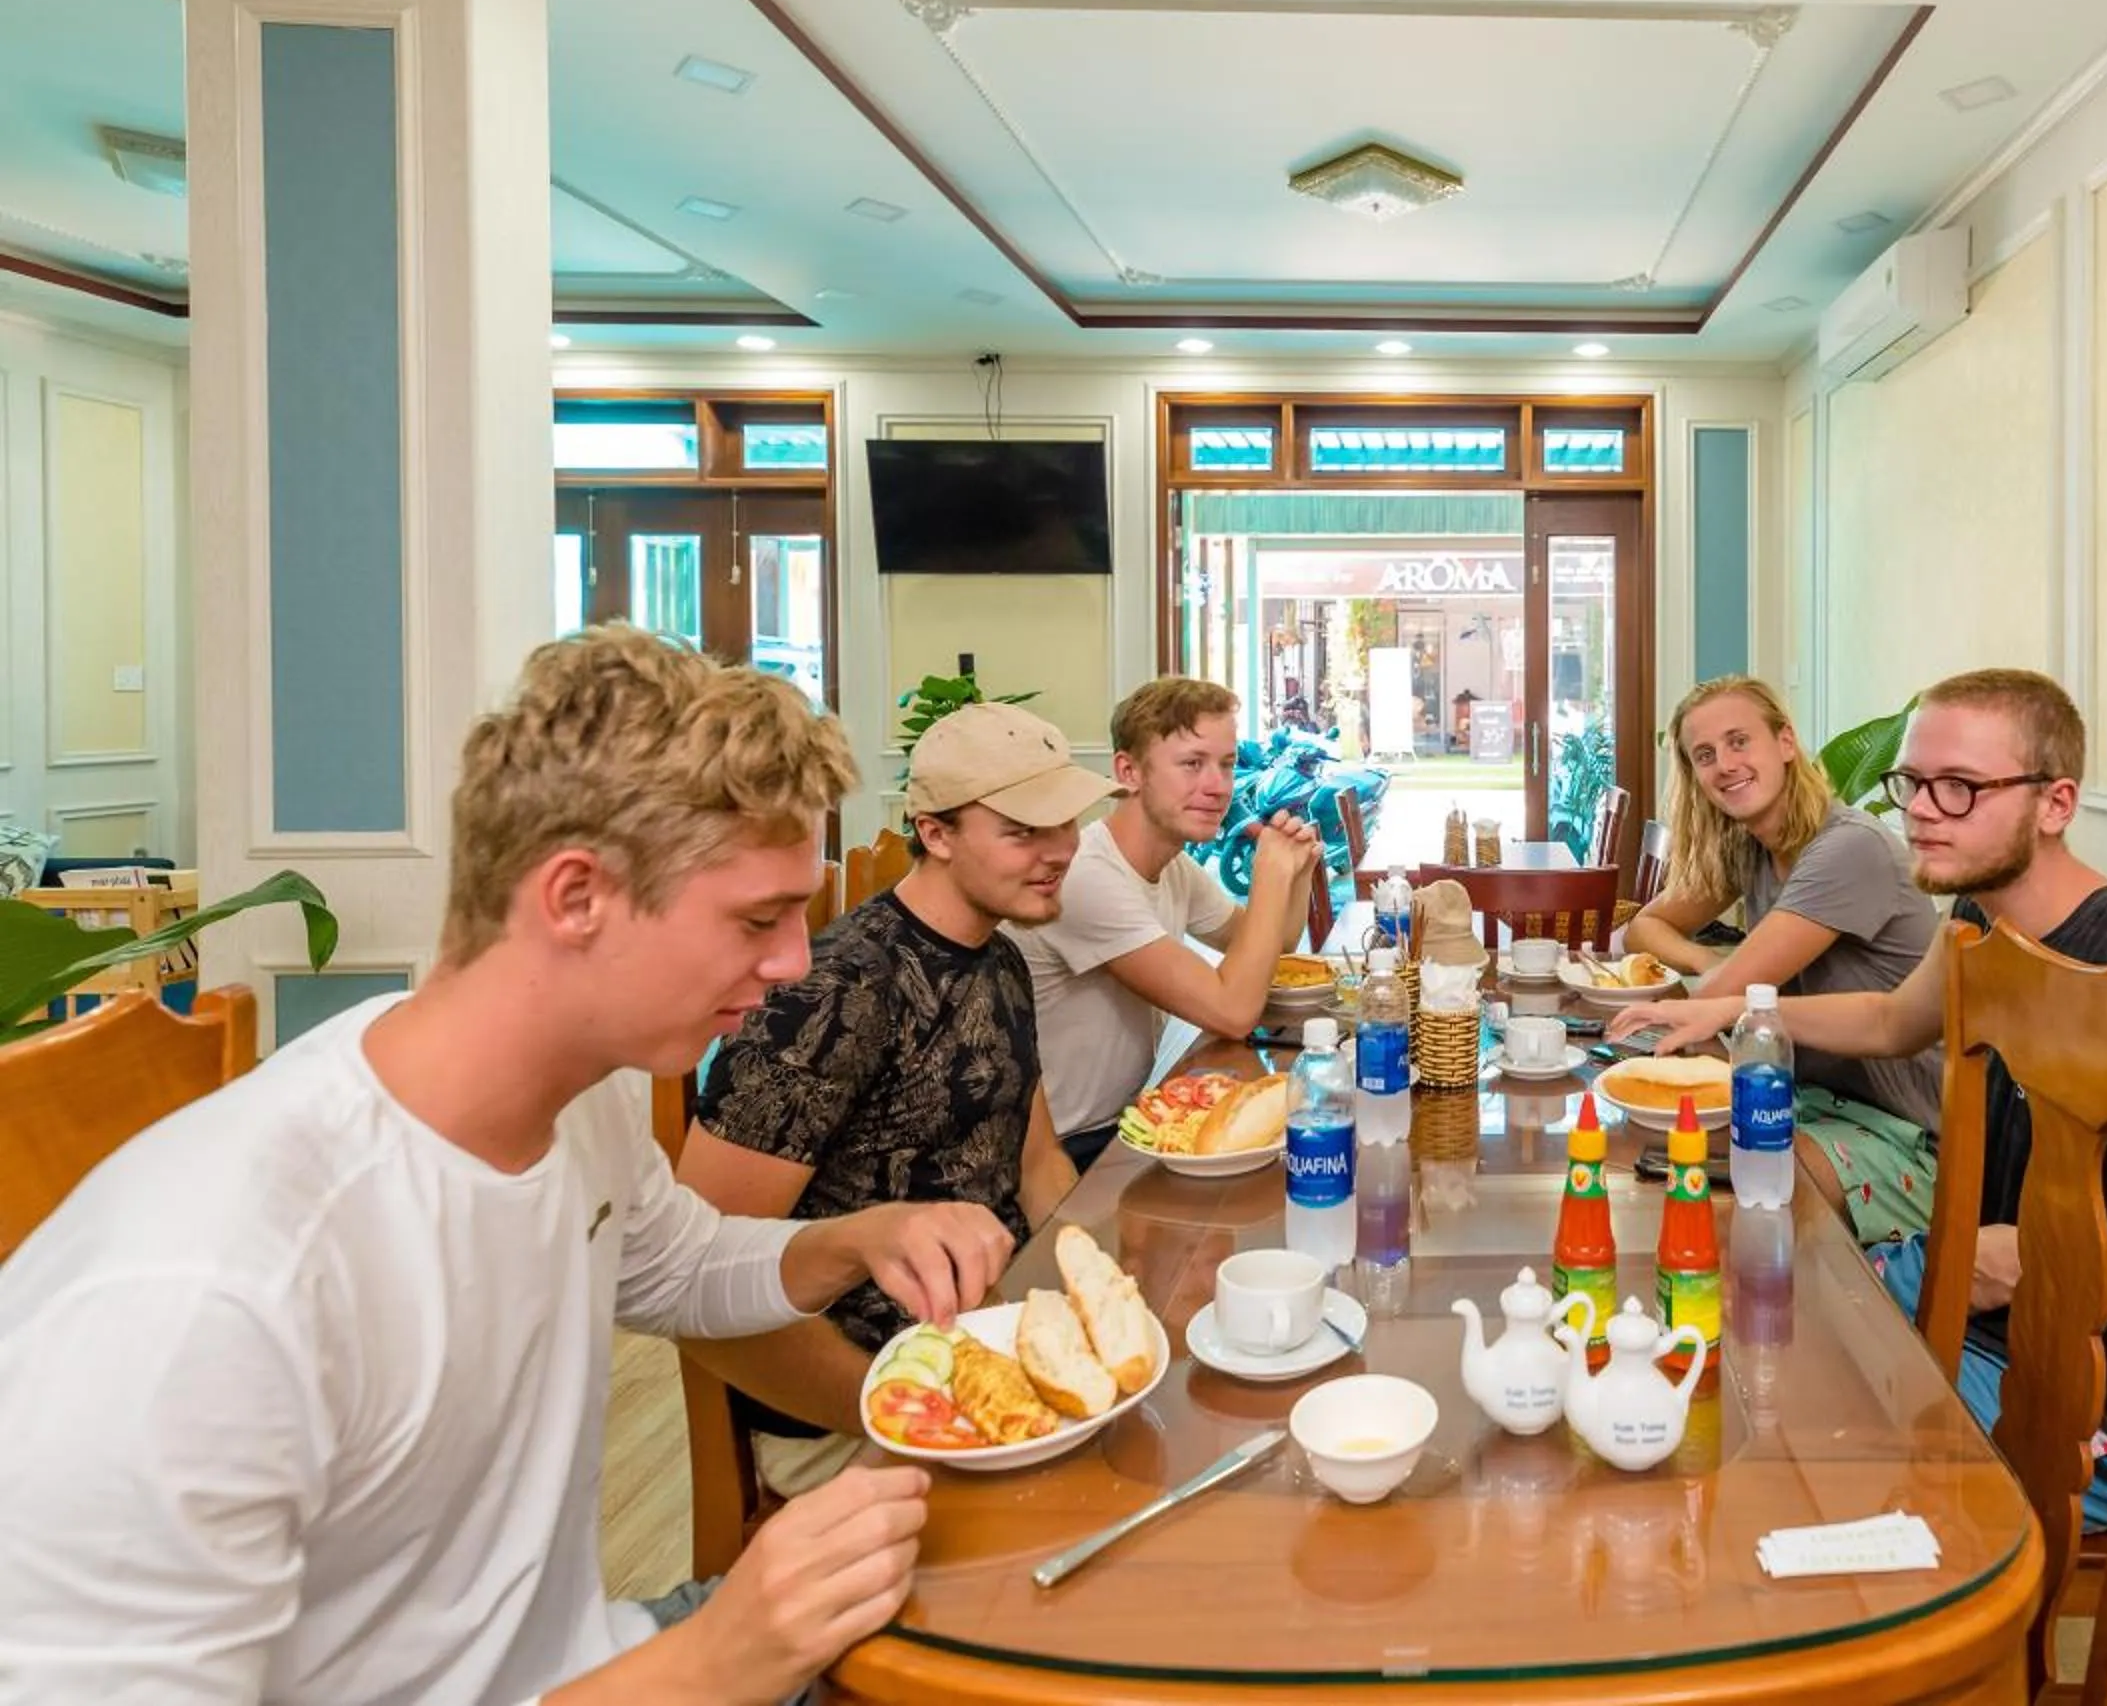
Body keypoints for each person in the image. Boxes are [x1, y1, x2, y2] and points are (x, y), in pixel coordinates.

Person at [0, 626, 1013, 1704]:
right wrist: (709, 1665)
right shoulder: (201, 1296)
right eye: (758, 919)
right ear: (574, 897)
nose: (794, 961)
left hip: (599, 1654)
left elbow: (670, 1265)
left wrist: (856, 1237)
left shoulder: (581, 1096)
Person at [1612, 668, 2107, 1528]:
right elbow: (1888, 1019)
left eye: (1960, 788)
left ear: (2056, 803)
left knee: (1767, 1433)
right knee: (1738, 1305)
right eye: (1912, 784)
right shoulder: (1983, 920)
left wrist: (2035, 1258)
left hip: (2090, 1404)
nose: (1921, 810)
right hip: (1987, 1312)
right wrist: (1741, 1005)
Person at [673, 701, 1113, 1489]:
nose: (1060, 853)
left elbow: (1039, 1163)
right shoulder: (832, 993)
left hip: (989, 1338)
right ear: (936, 834)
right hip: (862, 1401)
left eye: (1065, 825)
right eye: (1022, 832)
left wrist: (1105, 1301)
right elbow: (698, 1276)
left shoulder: (1002, 959)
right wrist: (914, 1409)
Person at [1622, 675, 1943, 1242]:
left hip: (1907, 1134)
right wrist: (1702, 959)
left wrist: (1719, 981)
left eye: (1739, 741)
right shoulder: (1753, 849)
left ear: (1786, 743)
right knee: (1651, 1159)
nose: (1724, 764)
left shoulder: (1848, 848)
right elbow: (1641, 929)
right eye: (1705, 754)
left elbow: (1730, 994)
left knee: (1726, 1207)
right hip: (1810, 1100)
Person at [1007, 677, 1322, 1163]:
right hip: (1064, 1152)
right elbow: (1233, 1011)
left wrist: (1296, 872)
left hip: (1123, 1120)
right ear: (1128, 772)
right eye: (1192, 764)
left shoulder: (1173, 866)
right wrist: (1268, 875)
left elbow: (1273, 944)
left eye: (1227, 763)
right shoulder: (1089, 876)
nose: (1218, 787)